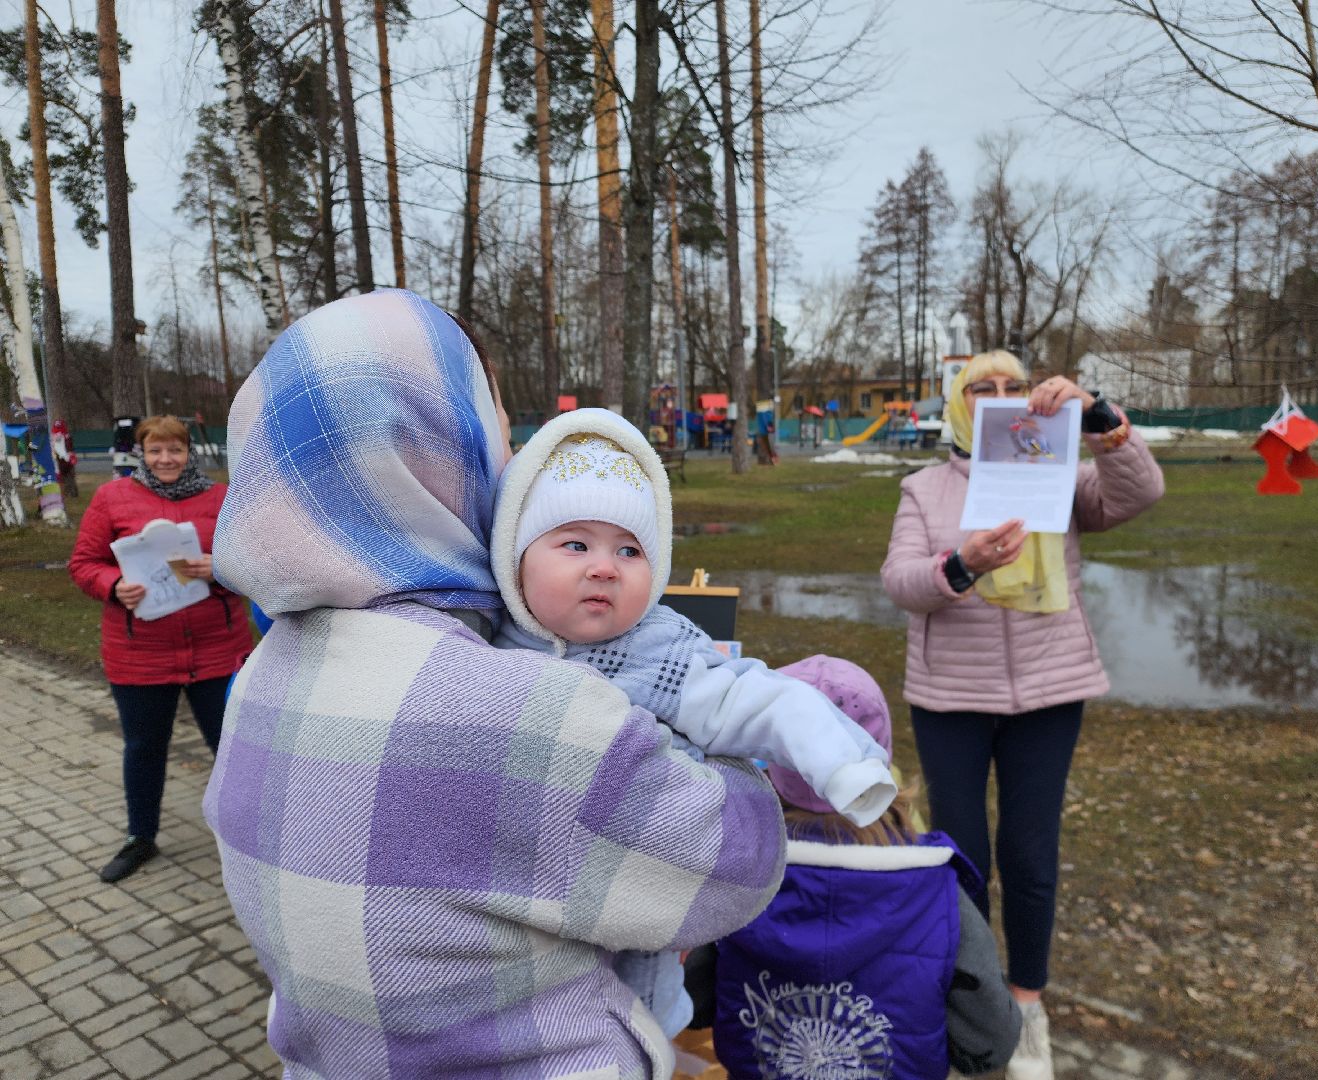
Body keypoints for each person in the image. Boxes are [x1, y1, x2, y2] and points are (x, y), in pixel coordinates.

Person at [203, 290, 787, 1079]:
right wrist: (712, 715)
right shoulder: (512, 709)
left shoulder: (254, 686)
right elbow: (739, 862)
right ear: (442, 452)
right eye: (498, 439)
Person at [490, 407, 897, 1037]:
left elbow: (758, 699)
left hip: (630, 950)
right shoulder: (479, 648)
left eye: (630, 549)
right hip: (507, 933)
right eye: (575, 543)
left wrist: (843, 764)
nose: (605, 566)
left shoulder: (658, 654)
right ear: (514, 555)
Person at [880, 350, 1164, 1080]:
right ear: (958, 402)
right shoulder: (923, 488)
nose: (1000, 397)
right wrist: (961, 564)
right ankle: (974, 1005)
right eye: (983, 388)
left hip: (1048, 691)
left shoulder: (1057, 469)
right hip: (951, 698)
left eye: (1014, 386)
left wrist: (1098, 418)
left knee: (1032, 859)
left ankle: (1027, 1005)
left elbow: (1139, 494)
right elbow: (901, 582)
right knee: (963, 858)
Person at [686, 654, 1021, 1079]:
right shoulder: (938, 893)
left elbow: (689, 1005)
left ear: (768, 758)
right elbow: (990, 1042)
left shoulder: (733, 884)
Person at [68, 414, 254, 884]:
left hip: (218, 649)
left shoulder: (221, 497)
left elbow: (254, 560)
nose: (166, 459)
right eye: (155, 451)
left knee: (233, 749)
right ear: (141, 454)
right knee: (145, 747)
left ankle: (252, 838)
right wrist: (113, 585)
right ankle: (140, 838)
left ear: (189, 452)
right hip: (140, 654)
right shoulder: (112, 497)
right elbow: (84, 563)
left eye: (175, 449)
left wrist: (222, 567)